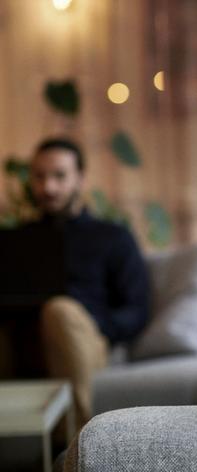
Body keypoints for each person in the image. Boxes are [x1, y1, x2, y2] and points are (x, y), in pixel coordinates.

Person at [7, 138, 150, 425]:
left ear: (80, 179)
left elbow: (137, 309)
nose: (48, 187)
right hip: (23, 338)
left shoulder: (112, 236)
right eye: (39, 176)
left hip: (86, 340)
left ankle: (75, 443)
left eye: (59, 176)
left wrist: (97, 324)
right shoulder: (16, 240)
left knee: (59, 310)